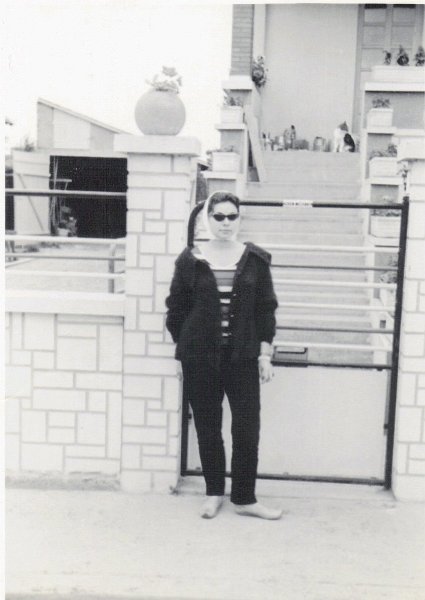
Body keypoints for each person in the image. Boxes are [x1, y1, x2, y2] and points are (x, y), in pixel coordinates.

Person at [165, 191, 282, 520]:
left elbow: (265, 310)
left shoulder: (255, 260)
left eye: (232, 216)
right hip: (200, 359)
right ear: (208, 219)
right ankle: (214, 492)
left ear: (240, 219)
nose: (226, 223)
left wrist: (264, 354)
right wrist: (184, 350)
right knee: (207, 427)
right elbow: (176, 311)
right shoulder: (190, 260)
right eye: (219, 216)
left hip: (243, 358)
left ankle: (244, 498)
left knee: (246, 429)